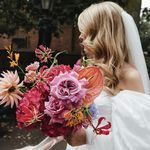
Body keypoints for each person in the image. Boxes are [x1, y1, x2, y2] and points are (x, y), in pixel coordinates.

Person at [16, 1, 150, 150]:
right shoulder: (88, 70)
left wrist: (87, 137)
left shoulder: (129, 76)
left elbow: (136, 138)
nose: (80, 37)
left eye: (86, 31)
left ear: (102, 34)